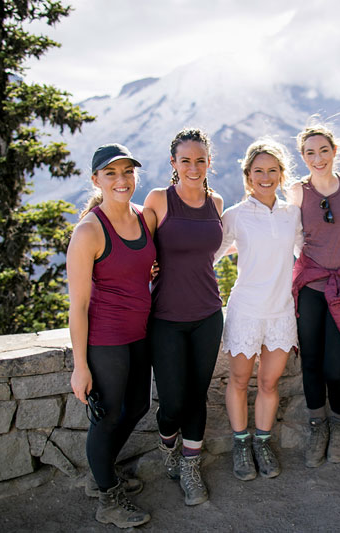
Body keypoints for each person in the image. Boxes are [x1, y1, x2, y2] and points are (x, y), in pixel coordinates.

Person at [68, 143, 157, 528]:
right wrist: (80, 367)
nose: (121, 180)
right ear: (96, 180)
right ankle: (107, 497)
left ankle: (101, 470)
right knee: (107, 418)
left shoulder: (144, 218)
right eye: (111, 174)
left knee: (137, 407)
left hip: (140, 333)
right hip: (106, 338)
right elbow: (78, 306)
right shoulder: (89, 231)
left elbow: (142, 266)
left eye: (127, 172)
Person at [214, 139, 303, 481]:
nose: (265, 177)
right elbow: (210, 256)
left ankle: (262, 443)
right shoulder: (234, 216)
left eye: (272, 170)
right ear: (248, 176)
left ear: (281, 175)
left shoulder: (291, 214)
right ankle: (241, 444)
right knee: (238, 379)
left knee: (268, 381)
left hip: (280, 312)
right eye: (258, 171)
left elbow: (306, 252)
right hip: (246, 311)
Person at [144, 128, 224, 505]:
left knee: (197, 396)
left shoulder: (217, 202)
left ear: (209, 162)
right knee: (172, 401)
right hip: (166, 317)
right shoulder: (159, 200)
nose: (194, 167)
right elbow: (137, 251)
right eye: (186, 160)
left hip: (208, 313)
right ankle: (167, 445)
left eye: (201, 160)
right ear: (173, 163)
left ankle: (191, 467)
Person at [288, 123, 340, 468]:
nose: (317, 158)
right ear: (303, 157)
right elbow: (294, 239)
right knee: (312, 363)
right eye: (310, 153)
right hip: (312, 290)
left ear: (335, 151)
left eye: (323, 150)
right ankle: (319, 427)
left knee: (336, 367)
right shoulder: (298, 192)